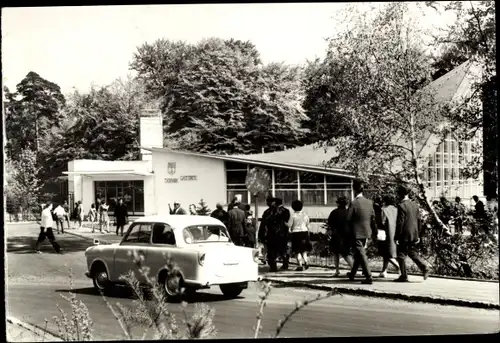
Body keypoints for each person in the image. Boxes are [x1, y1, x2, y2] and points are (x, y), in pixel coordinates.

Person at [394, 185, 429, 282]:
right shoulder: (415, 205)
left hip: (404, 234)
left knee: (400, 255)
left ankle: (404, 276)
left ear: (400, 194)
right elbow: (419, 221)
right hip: (414, 233)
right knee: (412, 252)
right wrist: (418, 234)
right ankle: (424, 267)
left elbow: (400, 222)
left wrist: (397, 236)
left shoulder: (401, 206)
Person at [346, 179, 376, 284]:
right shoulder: (369, 202)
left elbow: (348, 219)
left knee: (361, 253)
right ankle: (353, 274)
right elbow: (373, 218)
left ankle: (368, 276)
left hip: (356, 232)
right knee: (359, 253)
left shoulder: (354, 203)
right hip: (366, 231)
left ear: (354, 190)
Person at [327, 196, 354, 277]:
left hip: (337, 235)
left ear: (338, 203)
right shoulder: (349, 212)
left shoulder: (334, 212)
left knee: (336, 253)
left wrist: (329, 233)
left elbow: (330, 224)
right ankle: (353, 268)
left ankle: (337, 271)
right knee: (346, 253)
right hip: (348, 235)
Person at [378, 195, 400, 278]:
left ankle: (399, 267)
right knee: (388, 253)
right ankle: (384, 271)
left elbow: (383, 222)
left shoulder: (384, 210)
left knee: (386, 253)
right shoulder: (396, 209)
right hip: (395, 233)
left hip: (386, 233)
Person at [266, 198, 291, 272]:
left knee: (272, 251)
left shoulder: (270, 211)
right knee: (283, 249)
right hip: (283, 233)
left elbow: (267, 222)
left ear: (274, 203)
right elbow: (286, 221)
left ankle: (273, 266)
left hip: (272, 233)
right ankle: (285, 263)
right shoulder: (286, 211)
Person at [287, 200, 312, 271]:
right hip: (304, 232)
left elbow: (289, 225)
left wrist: (285, 223)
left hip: (296, 233)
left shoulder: (292, 215)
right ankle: (306, 261)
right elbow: (308, 225)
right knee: (304, 250)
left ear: (293, 207)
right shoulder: (305, 215)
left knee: (297, 251)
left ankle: (300, 265)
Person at [258, 196, 275, 265]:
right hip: (274, 233)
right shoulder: (277, 210)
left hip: (268, 232)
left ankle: (265, 258)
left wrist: (261, 233)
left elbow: (263, 224)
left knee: (266, 246)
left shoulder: (267, 212)